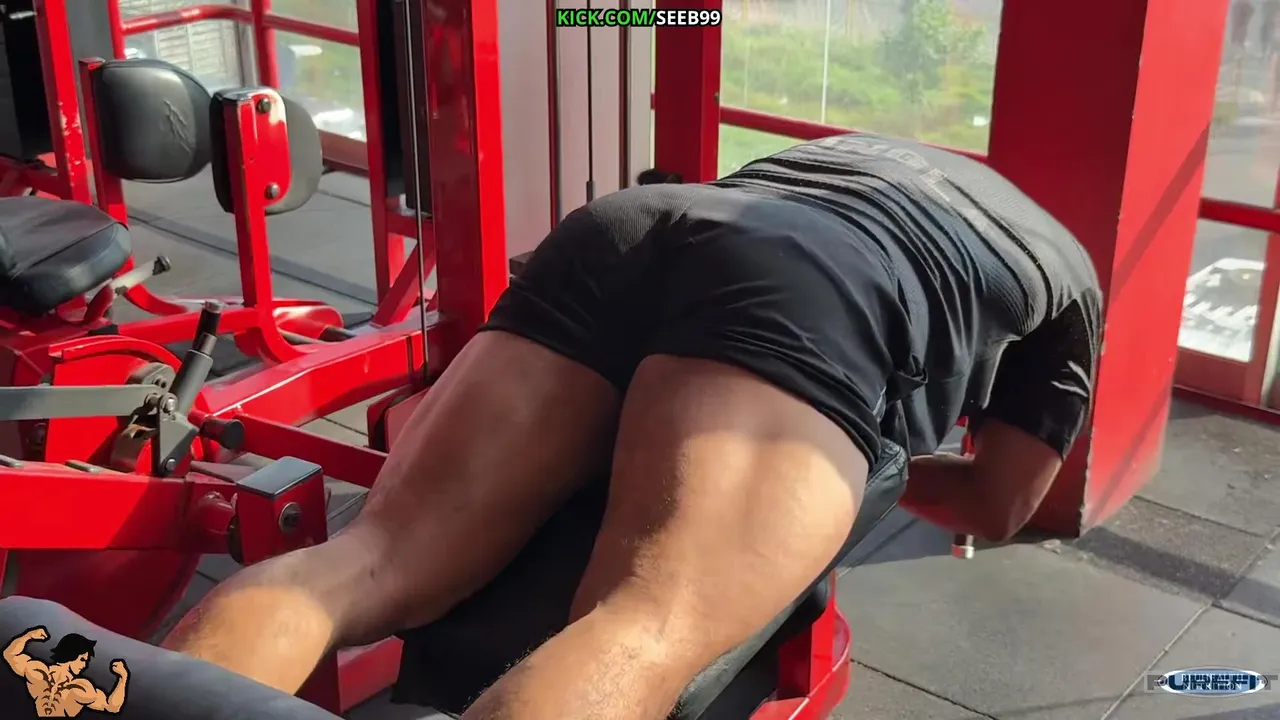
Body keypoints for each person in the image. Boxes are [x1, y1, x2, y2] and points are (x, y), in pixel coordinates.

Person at [160, 132, 1101, 720]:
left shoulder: (855, 151)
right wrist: (838, 469)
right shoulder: (1069, 282)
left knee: (368, 560)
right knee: (642, 626)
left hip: (632, 226)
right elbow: (997, 505)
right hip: (813, 290)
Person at [3, 627, 129, 716]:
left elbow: (10, 654)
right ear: (72, 654)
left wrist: (28, 636)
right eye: (82, 659)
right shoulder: (80, 688)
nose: (84, 665)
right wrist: (123, 677)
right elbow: (112, 707)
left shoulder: (37, 671)